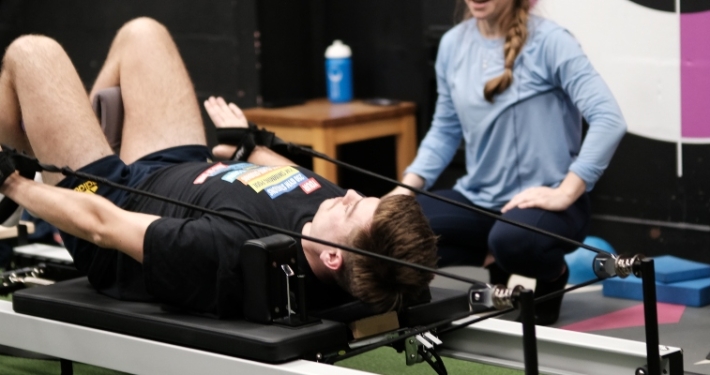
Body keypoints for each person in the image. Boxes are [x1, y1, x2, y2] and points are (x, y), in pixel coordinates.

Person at [0, 17, 438, 318]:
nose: (347, 195)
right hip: (183, 165)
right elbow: (298, 180)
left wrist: (13, 182)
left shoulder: (235, 253)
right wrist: (250, 146)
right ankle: (79, 141)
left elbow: (102, 226)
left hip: (115, 203)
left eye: (350, 210)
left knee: (31, 53)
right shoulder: (333, 225)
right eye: (362, 199)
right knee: (143, 34)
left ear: (332, 258)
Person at [388, 0, 626, 325]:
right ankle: (496, 260)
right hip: (478, 199)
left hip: (547, 204)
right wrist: (404, 191)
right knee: (395, 231)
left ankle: (550, 272)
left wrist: (566, 192)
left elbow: (609, 119)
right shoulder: (453, 44)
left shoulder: (552, 41)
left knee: (514, 240)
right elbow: (444, 130)